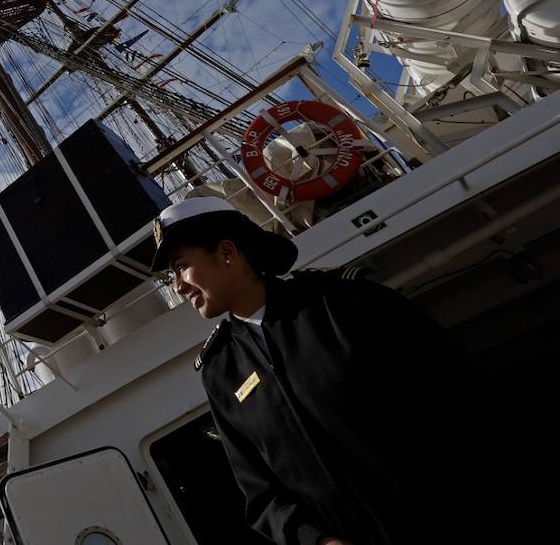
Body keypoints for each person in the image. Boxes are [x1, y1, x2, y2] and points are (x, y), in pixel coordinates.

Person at [153, 197, 534, 545]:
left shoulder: (345, 303)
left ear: (227, 253)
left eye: (181, 267)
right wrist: (316, 541)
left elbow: (466, 401)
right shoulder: (220, 372)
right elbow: (261, 495)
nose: (178, 287)